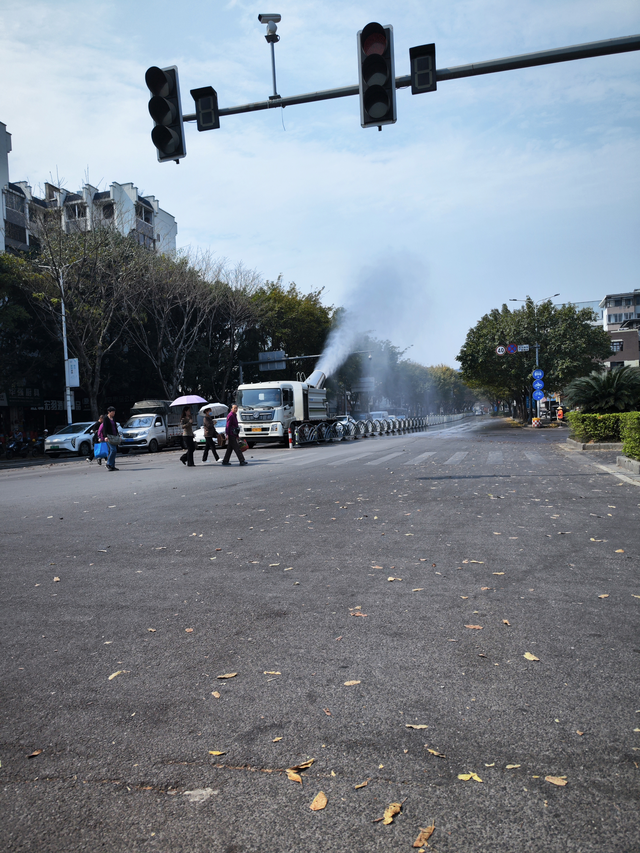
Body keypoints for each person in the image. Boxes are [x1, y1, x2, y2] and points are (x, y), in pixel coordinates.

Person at [98, 406, 120, 471]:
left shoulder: (113, 418)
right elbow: (104, 428)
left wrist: (118, 435)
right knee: (113, 450)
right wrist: (105, 436)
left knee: (114, 451)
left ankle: (112, 466)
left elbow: (115, 427)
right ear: (109, 412)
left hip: (114, 436)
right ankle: (108, 463)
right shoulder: (106, 418)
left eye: (114, 412)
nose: (114, 413)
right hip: (109, 436)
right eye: (112, 412)